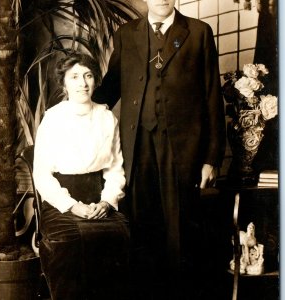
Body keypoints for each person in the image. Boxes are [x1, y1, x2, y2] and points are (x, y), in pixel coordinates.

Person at [93, 0, 226, 299]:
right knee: (141, 225)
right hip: (137, 143)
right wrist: (78, 103)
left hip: (183, 148)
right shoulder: (127, 34)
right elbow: (111, 86)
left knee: (181, 227)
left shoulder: (198, 32)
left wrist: (211, 158)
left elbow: (212, 97)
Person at [33, 53, 129, 300]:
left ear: (96, 80)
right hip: (61, 203)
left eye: (87, 76)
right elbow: (42, 174)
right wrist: (72, 205)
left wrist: (107, 202)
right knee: (69, 241)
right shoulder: (53, 118)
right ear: (64, 83)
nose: (82, 83)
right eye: (74, 77)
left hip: (99, 199)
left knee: (119, 234)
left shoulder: (107, 117)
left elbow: (115, 168)